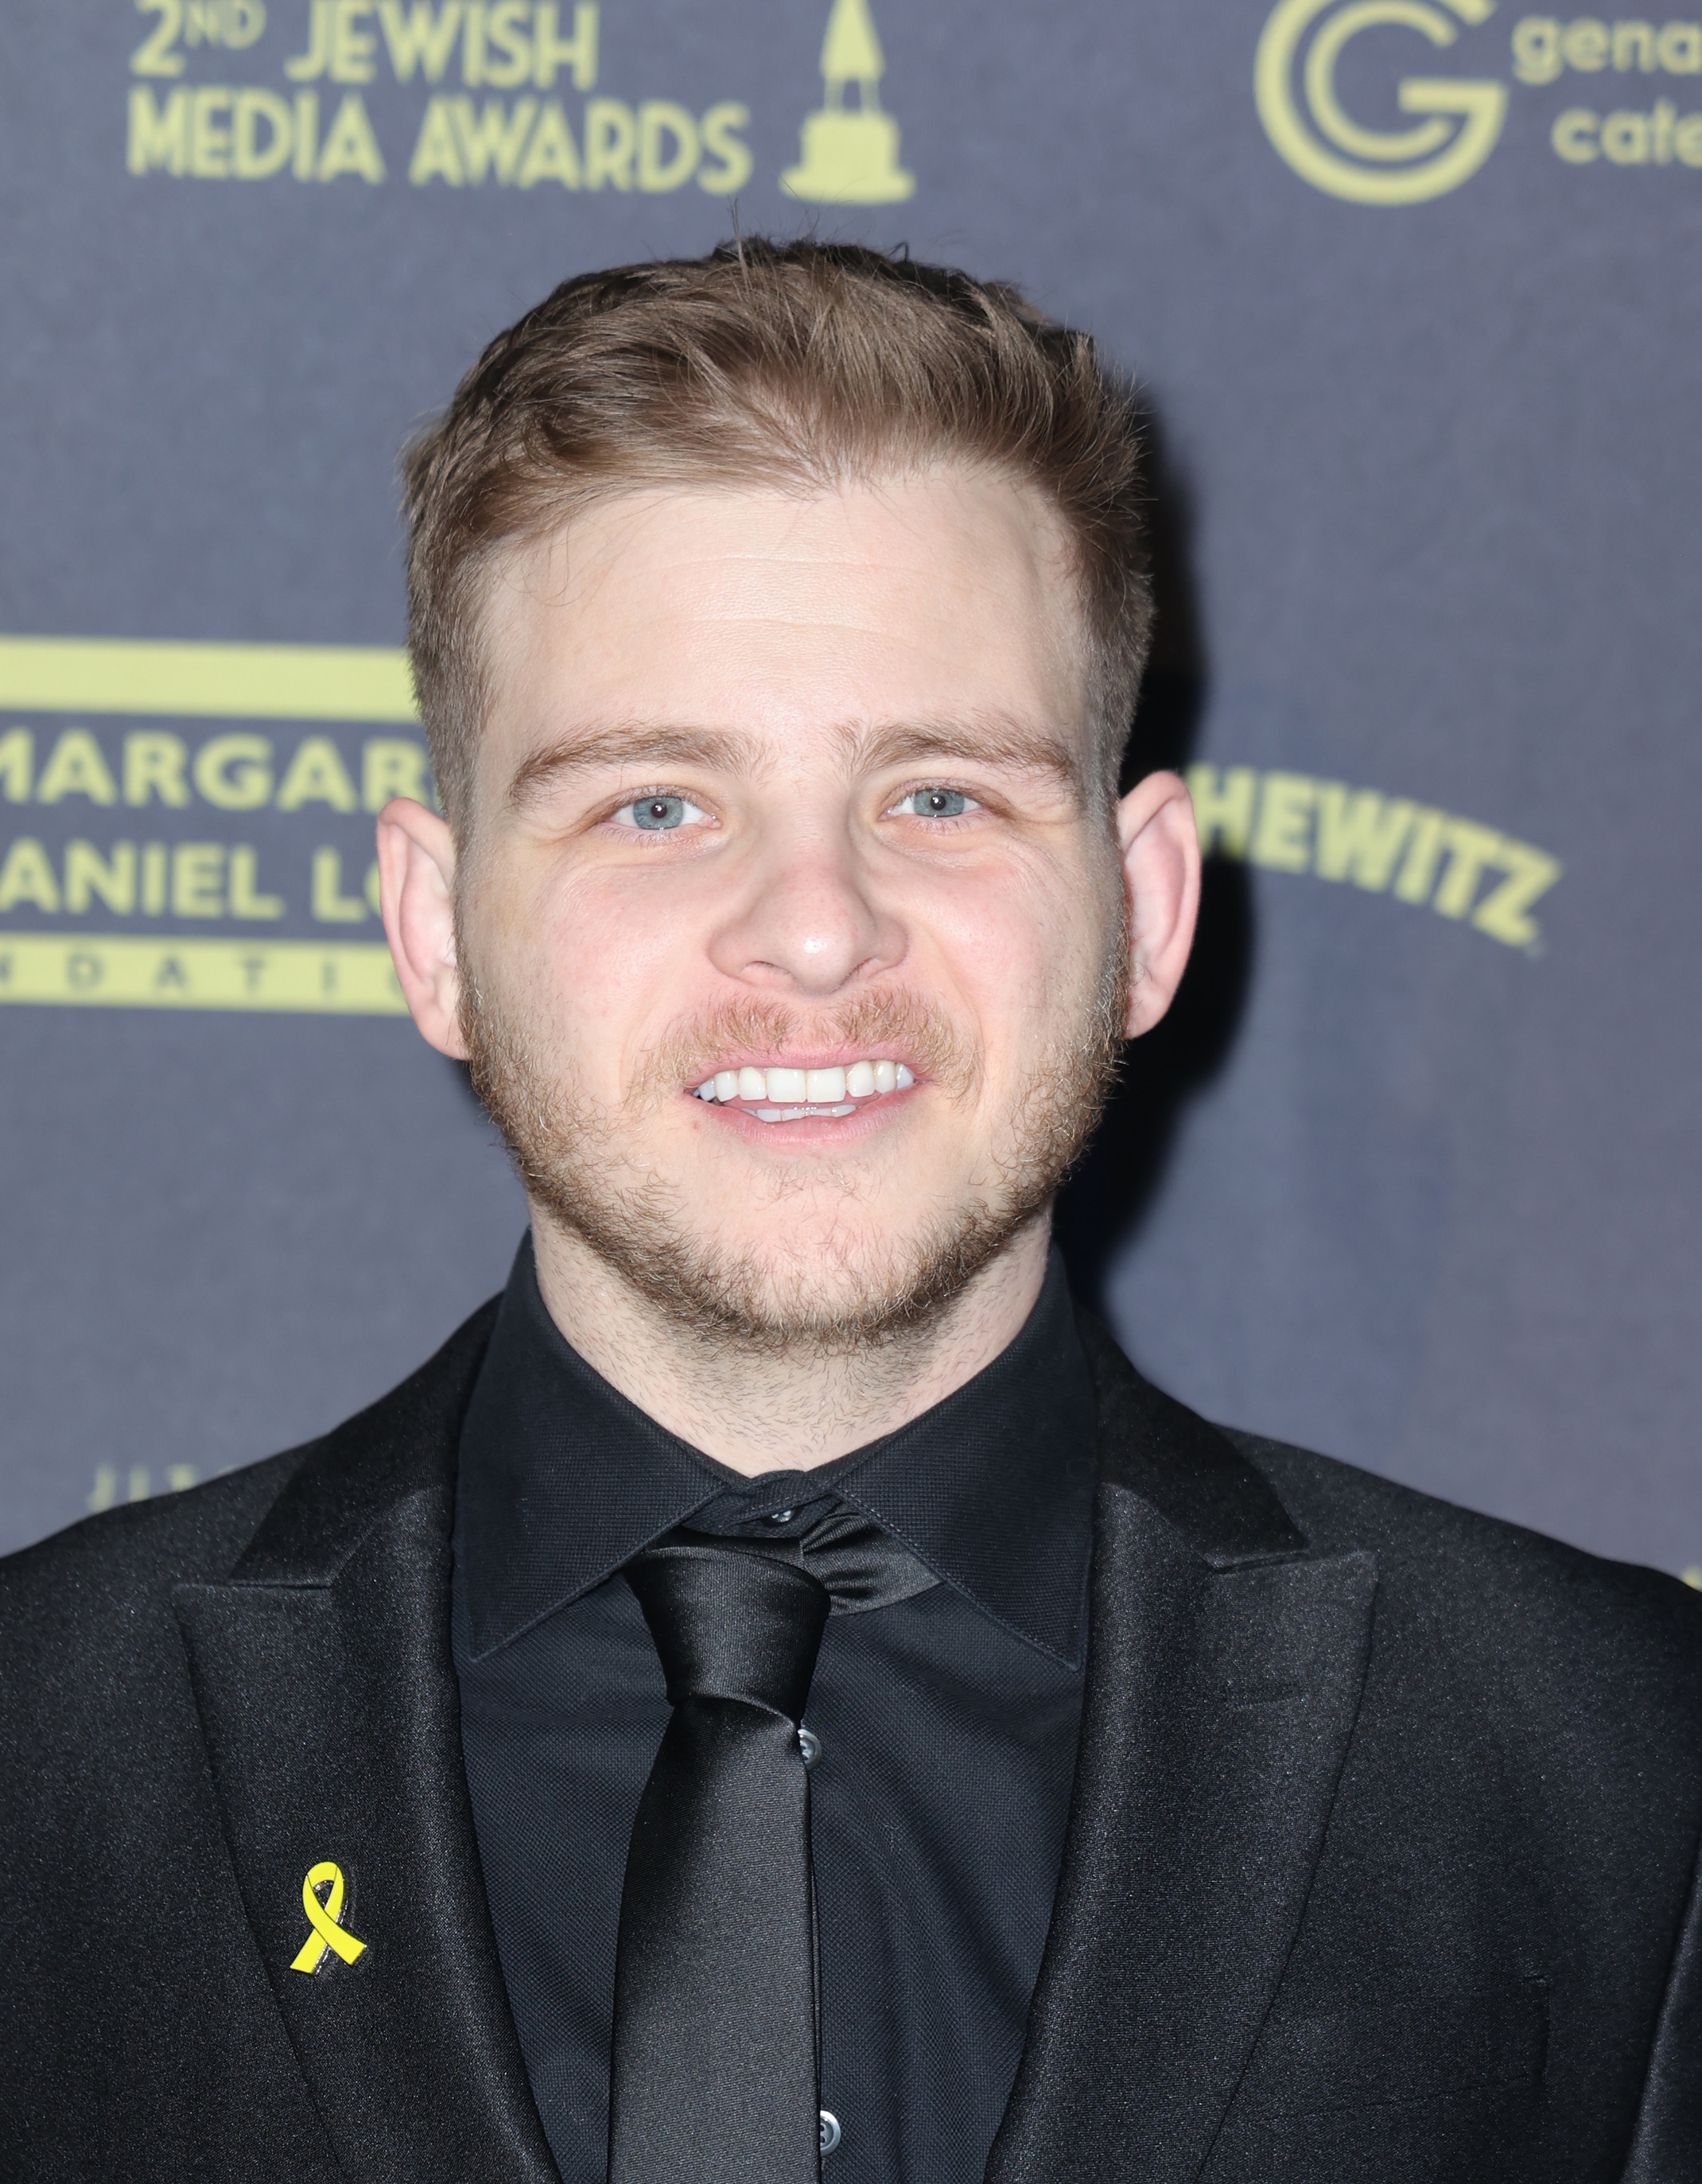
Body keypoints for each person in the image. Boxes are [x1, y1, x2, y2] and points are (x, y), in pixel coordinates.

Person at [1, 240, 1697, 2184]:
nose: (813, 925)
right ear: (431, 926)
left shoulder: (1611, 1767)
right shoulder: (41, 1747)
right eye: (653, 803)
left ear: (1140, 905)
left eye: (940, 797)